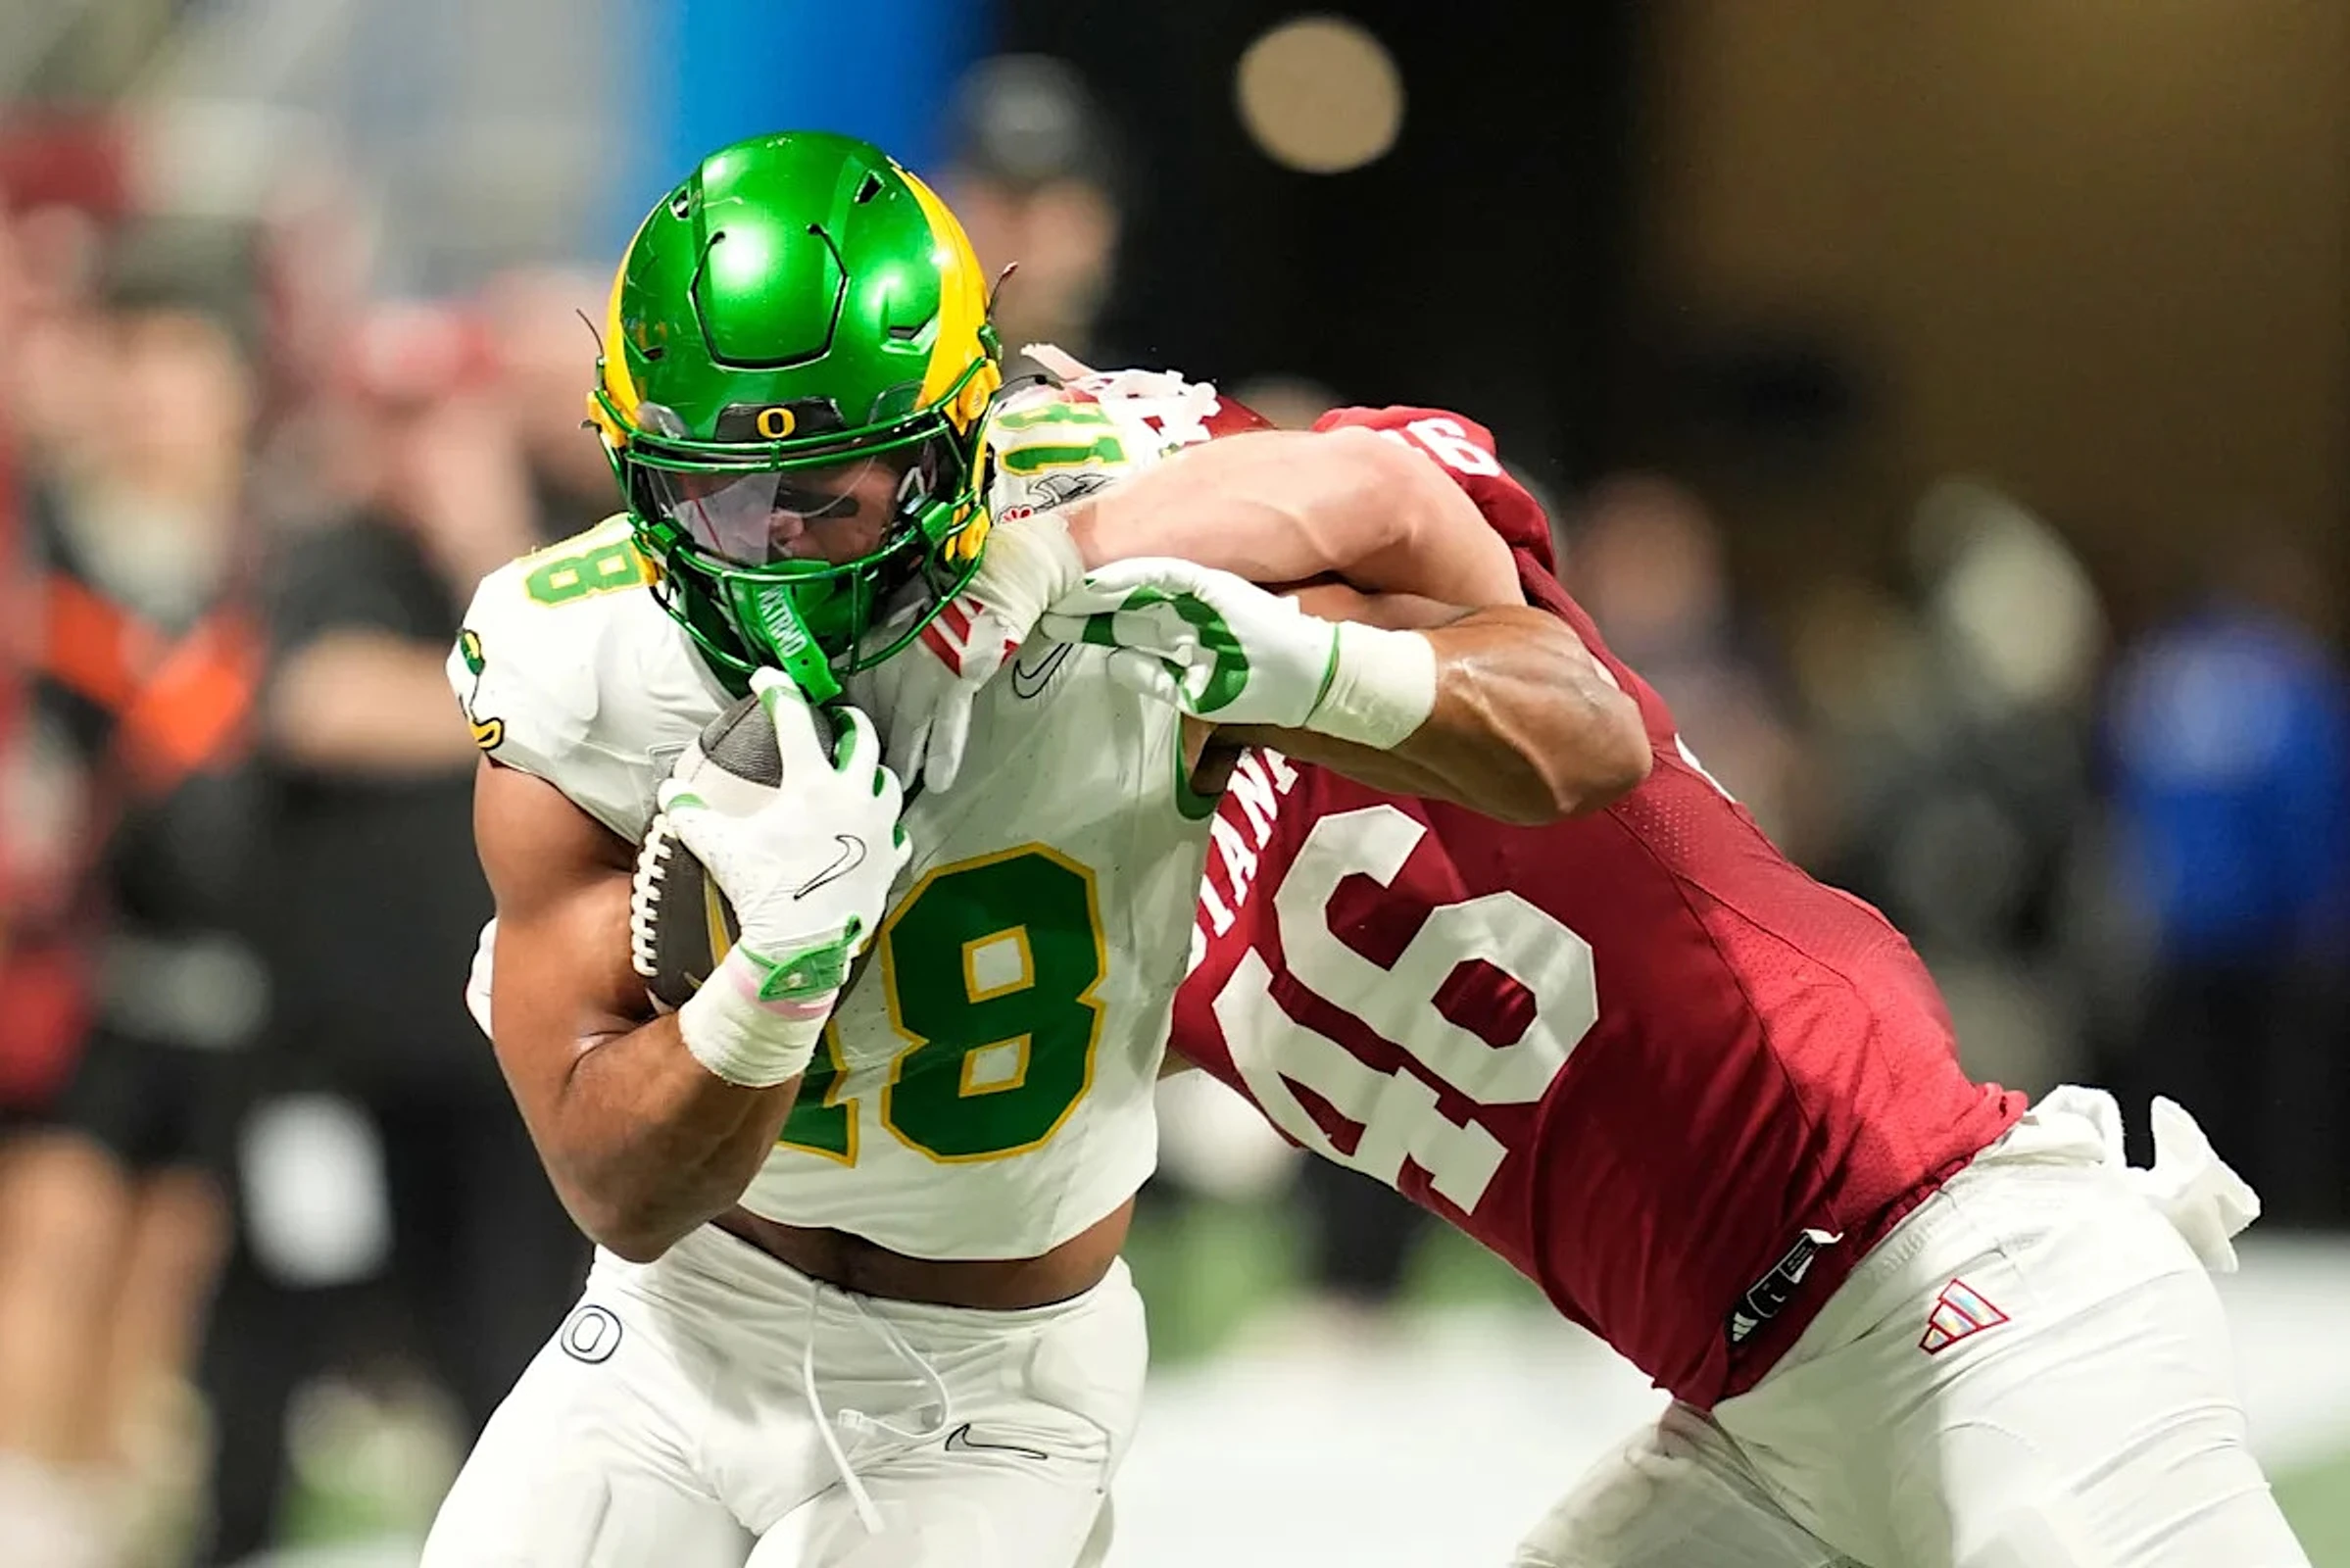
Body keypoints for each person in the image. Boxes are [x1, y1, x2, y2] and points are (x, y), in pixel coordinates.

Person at [421, 128, 1645, 1568]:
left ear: (962, 441)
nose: (776, 554)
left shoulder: (1112, 528)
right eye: (719, 495)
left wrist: (1306, 668)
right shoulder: (581, 658)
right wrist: (774, 978)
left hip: (988, 1381)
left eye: (835, 490)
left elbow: (1586, 734)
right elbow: (617, 1191)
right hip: (681, 1330)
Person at [1034, 407, 2307, 1564]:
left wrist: (1054, 544)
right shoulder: (1108, 888)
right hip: (1755, 1420)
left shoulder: (1378, 587)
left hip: (1965, 1284)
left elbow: (1384, 487)